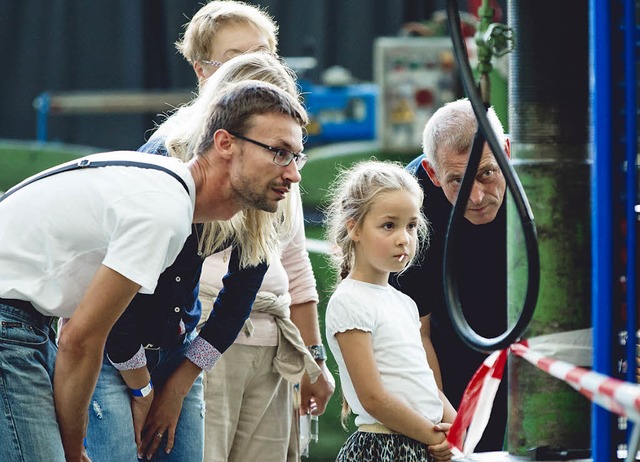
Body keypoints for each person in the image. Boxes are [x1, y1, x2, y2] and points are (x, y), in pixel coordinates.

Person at [0, 80, 308, 462]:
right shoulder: (165, 210)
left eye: (297, 156)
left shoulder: (168, 191)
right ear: (225, 143)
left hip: (26, 322)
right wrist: (75, 450)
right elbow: (80, 339)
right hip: (10, 321)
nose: (293, 173)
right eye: (279, 152)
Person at [390, 98, 511, 451]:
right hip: (445, 333)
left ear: (506, 152)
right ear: (432, 173)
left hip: (522, 325)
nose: (476, 196)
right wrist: (445, 423)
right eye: (456, 180)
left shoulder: (540, 181)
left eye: (486, 173)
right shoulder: (411, 207)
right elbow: (418, 330)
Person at [324, 160, 456, 462]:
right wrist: (435, 436)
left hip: (421, 445)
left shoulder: (405, 303)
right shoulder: (350, 301)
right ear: (354, 227)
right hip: (383, 448)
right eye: (389, 225)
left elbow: (425, 385)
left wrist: (456, 430)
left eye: (411, 225)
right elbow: (374, 398)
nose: (404, 238)